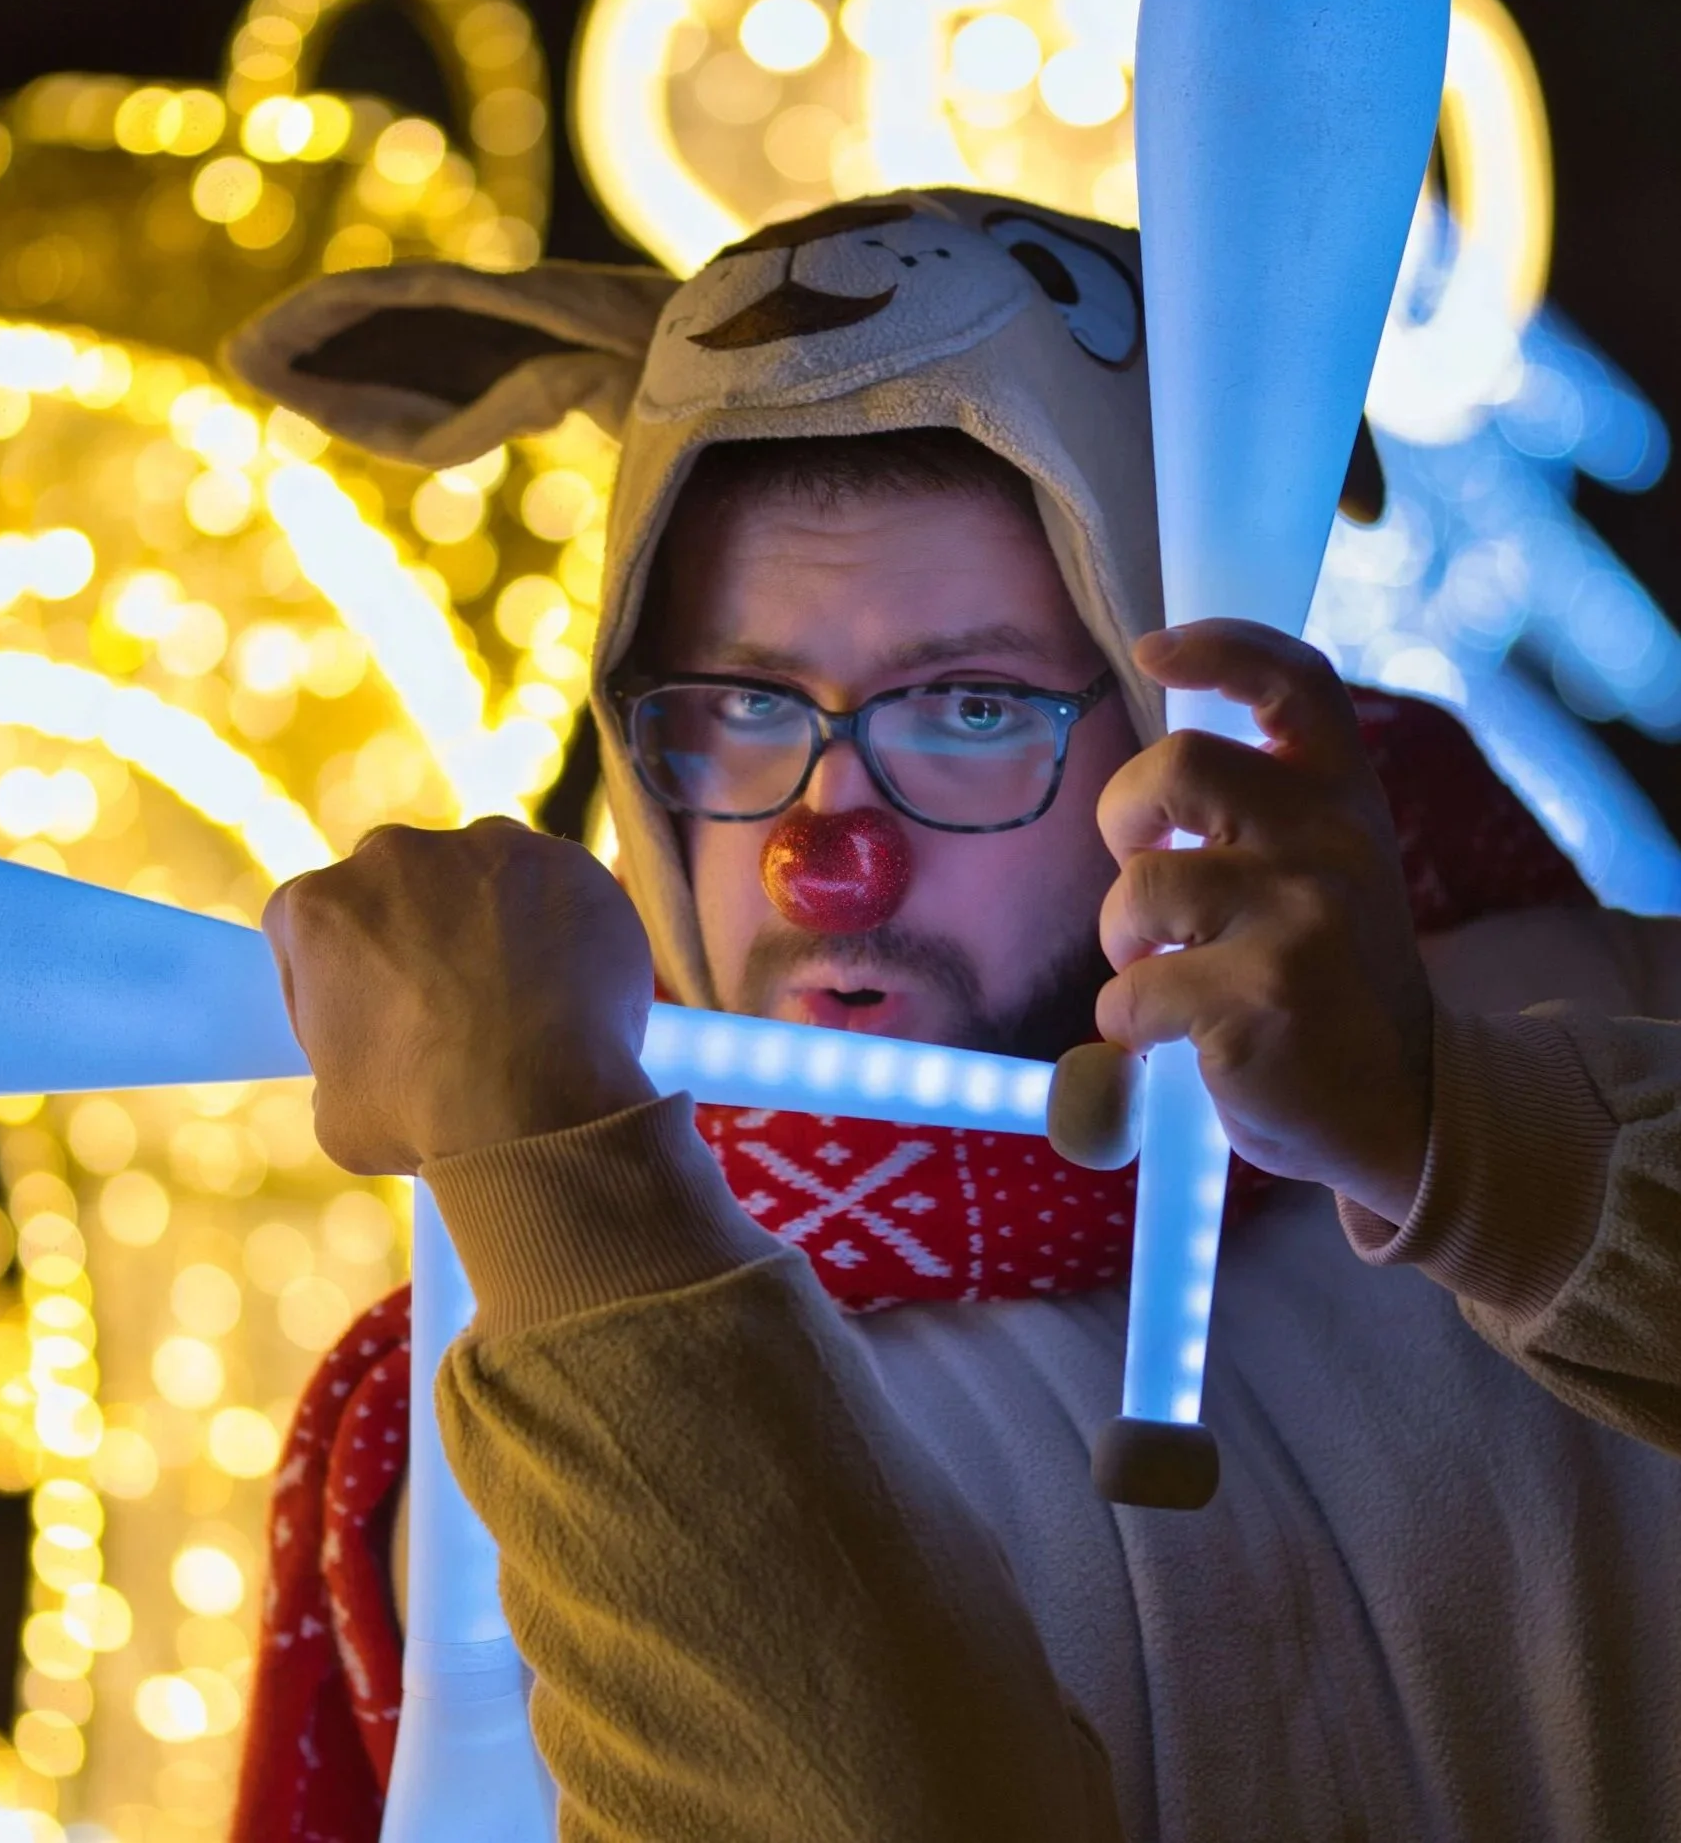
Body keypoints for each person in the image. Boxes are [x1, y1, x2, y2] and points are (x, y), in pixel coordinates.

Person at [229, 193, 1681, 1840]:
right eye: (739, 707)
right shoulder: (526, 1389)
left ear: (1173, 730)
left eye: (972, 707)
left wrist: (1462, 1137)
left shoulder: (1621, 1043)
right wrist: (560, 1187)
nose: (821, 852)